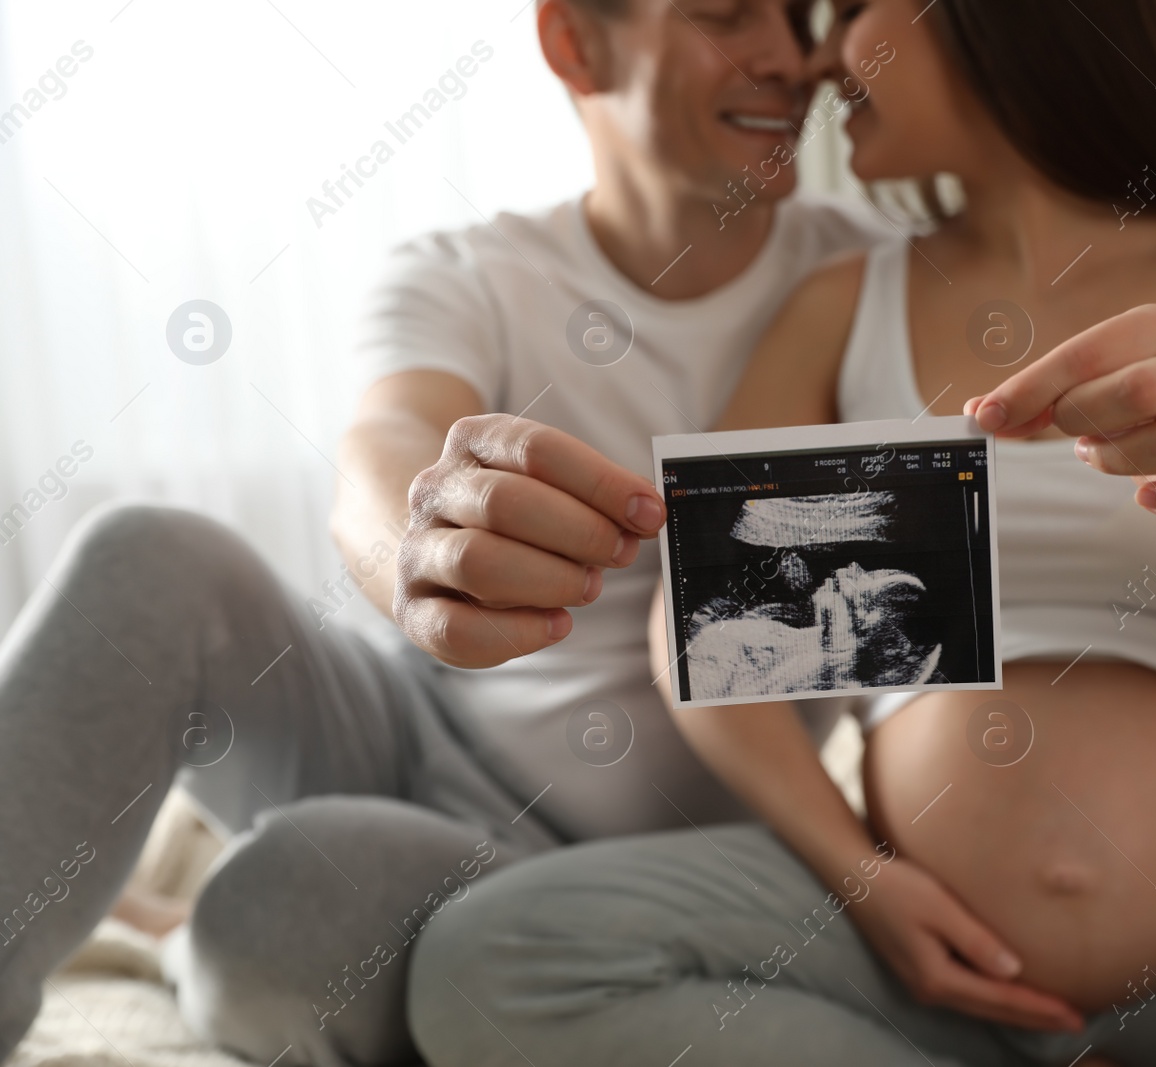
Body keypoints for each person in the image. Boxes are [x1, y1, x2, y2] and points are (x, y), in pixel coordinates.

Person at [405, 1, 1156, 1065]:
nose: (820, 57)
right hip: (896, 956)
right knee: (488, 955)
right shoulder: (839, 304)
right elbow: (705, 627)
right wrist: (862, 879)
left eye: (856, 6)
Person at [0, 2, 895, 1065]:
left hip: (577, 873)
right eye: (725, 14)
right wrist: (419, 551)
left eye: (800, 19)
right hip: (403, 722)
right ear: (574, 43)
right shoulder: (469, 269)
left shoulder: (877, 284)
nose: (789, 61)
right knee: (144, 553)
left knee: (273, 918)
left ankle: (180, 935)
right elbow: (385, 448)